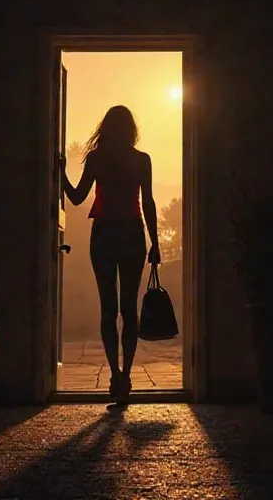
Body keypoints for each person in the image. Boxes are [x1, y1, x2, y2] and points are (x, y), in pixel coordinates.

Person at [62, 105, 161, 402]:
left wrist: (60, 173)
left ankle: (115, 373)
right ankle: (126, 376)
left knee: (109, 308)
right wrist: (155, 242)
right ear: (132, 129)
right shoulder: (141, 160)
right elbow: (149, 204)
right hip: (132, 233)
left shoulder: (97, 159)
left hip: (104, 234)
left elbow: (77, 198)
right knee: (128, 310)